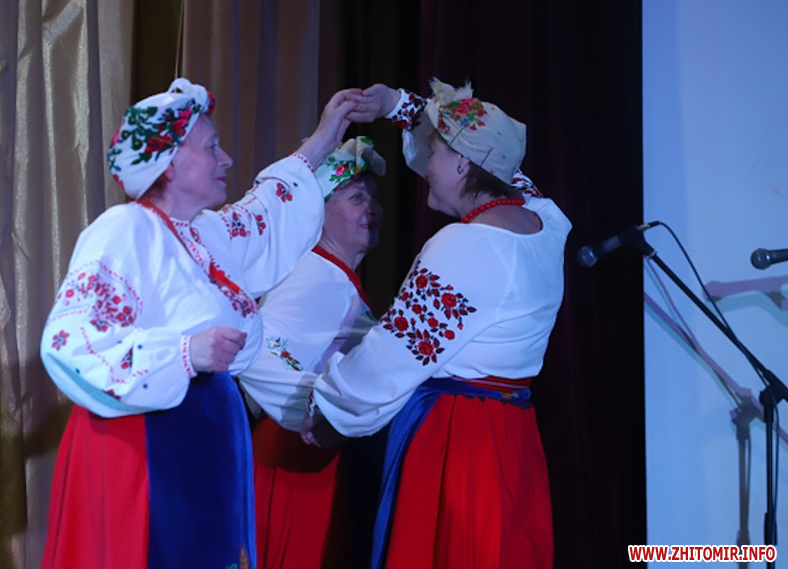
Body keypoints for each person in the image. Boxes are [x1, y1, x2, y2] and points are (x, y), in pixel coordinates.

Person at [39, 78, 364, 569]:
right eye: (212, 147)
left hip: (205, 436)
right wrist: (184, 353)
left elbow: (264, 213)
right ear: (169, 163)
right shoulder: (127, 230)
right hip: (150, 441)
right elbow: (70, 342)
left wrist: (322, 140)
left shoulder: (203, 236)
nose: (226, 159)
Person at [304, 80, 572, 569]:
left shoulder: (467, 248)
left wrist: (330, 410)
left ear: (464, 164)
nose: (427, 163)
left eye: (437, 152)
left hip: (461, 439)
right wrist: (396, 105)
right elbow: (504, 166)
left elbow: (394, 353)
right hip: (512, 433)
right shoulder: (546, 223)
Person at [237, 137, 386, 569]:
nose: (372, 208)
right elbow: (257, 347)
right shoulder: (315, 274)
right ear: (319, 212)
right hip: (295, 459)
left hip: (309, 459)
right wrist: (317, 409)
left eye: (373, 197)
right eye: (356, 198)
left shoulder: (334, 275)